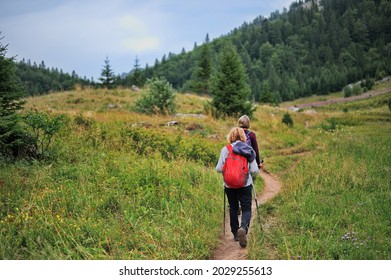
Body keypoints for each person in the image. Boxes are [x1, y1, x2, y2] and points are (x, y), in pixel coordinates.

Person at [216, 127, 259, 248]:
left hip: (229, 184)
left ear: (231, 136)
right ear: (243, 137)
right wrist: (247, 173)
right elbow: (255, 170)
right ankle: (243, 228)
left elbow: (218, 168)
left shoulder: (225, 149)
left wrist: (228, 171)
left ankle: (235, 233)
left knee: (233, 207)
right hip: (245, 184)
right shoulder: (248, 149)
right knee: (246, 208)